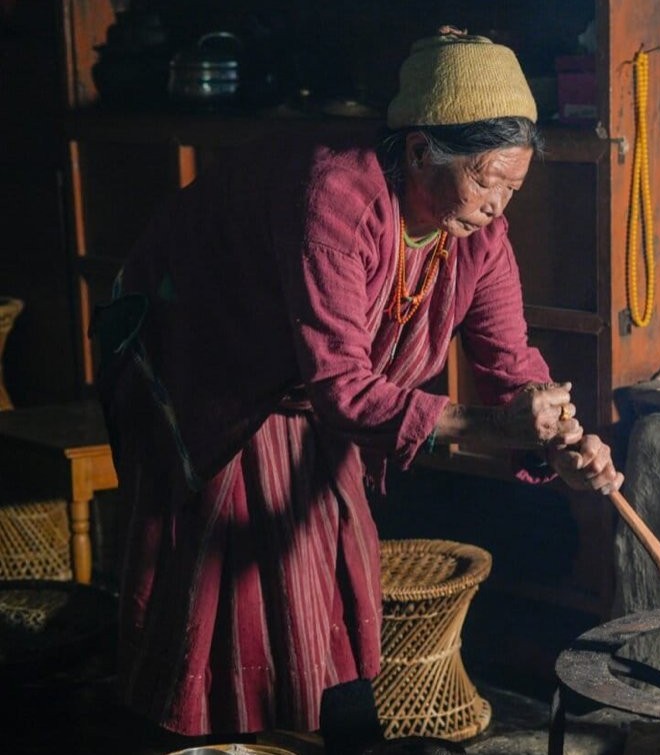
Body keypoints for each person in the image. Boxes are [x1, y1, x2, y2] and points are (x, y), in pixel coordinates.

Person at [92, 27, 623, 740]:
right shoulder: (335, 199)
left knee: (333, 573)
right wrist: (498, 429)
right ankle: (199, 737)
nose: (500, 204)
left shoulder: (477, 235)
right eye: (486, 178)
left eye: (514, 186)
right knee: (221, 597)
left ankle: (324, 728)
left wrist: (561, 442)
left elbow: (510, 362)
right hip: (206, 367)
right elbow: (344, 387)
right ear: (418, 150)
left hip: (306, 393)